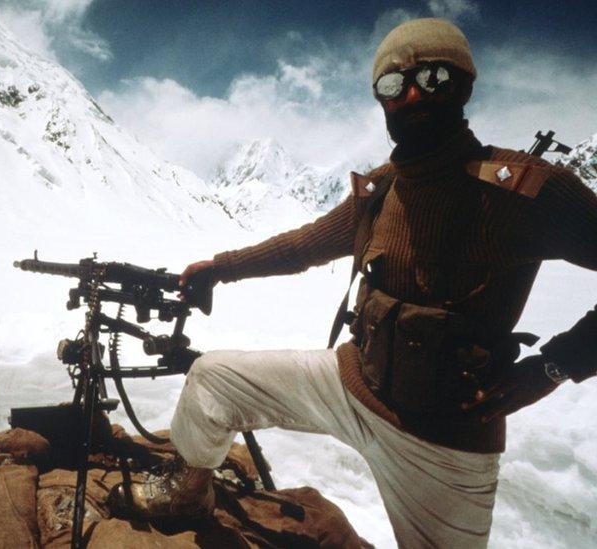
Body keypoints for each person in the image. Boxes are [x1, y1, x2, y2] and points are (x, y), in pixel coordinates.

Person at [111, 18, 597, 548]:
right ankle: (188, 492)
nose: (411, 95)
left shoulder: (524, 192)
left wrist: (556, 366)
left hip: (444, 438)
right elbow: (304, 245)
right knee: (213, 378)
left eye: (431, 78)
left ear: (461, 86)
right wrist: (218, 267)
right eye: (393, 85)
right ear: (380, 100)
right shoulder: (383, 191)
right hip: (352, 384)